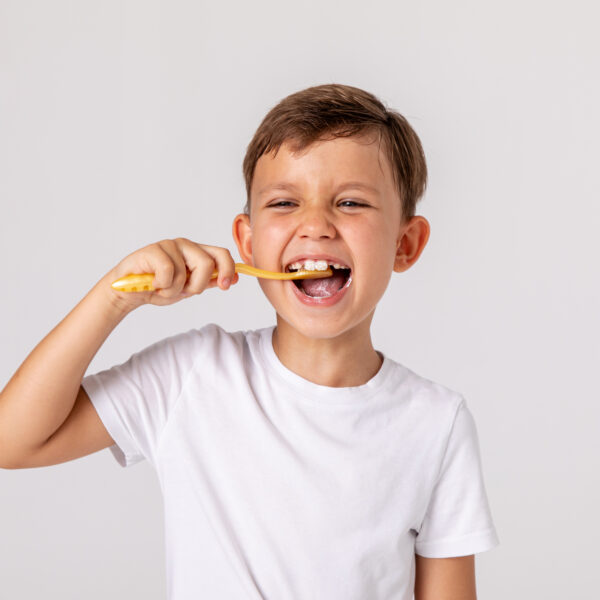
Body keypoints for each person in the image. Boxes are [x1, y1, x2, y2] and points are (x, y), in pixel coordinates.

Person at [0, 83, 499, 599]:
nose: (315, 226)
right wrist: (114, 297)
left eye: (350, 202)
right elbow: (12, 440)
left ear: (406, 243)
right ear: (247, 240)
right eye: (284, 202)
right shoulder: (191, 375)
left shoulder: (437, 422)